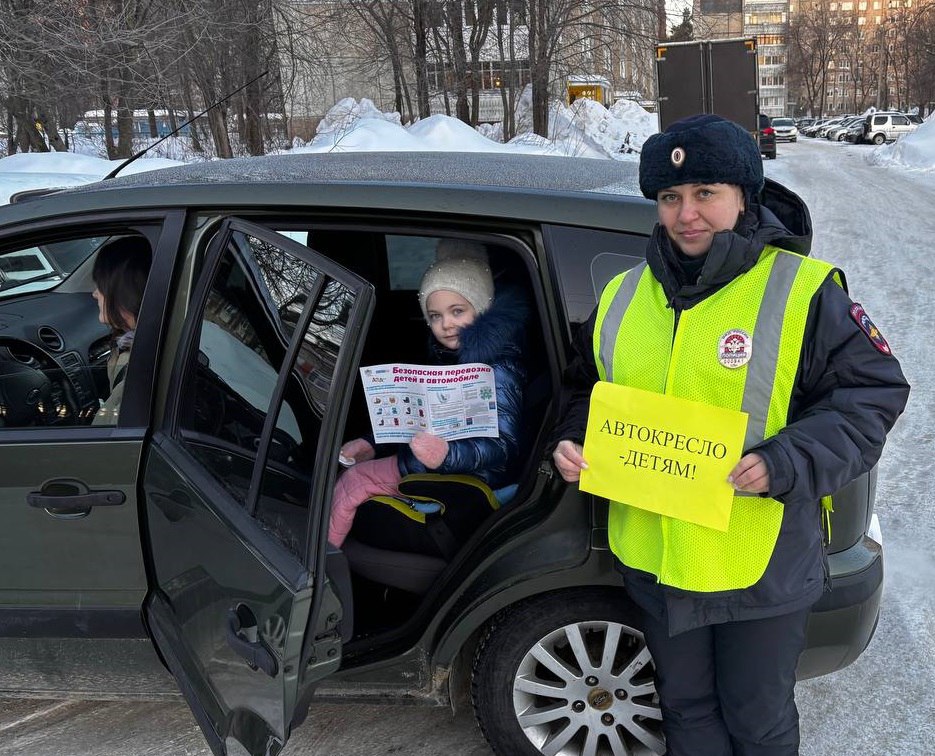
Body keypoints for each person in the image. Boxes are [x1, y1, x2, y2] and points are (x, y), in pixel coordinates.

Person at [551, 114, 909, 755]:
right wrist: (574, 439)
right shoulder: (622, 296)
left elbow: (872, 395)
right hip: (658, 561)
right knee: (685, 713)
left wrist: (786, 460)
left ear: (744, 195)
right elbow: (585, 388)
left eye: (706, 193)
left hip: (760, 565)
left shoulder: (803, 289)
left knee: (758, 722)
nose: (687, 213)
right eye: (670, 197)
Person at [328, 240, 528, 548]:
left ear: (483, 306)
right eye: (434, 316)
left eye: (457, 311)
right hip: (437, 463)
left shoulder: (499, 367)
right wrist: (372, 442)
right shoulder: (451, 354)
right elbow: (416, 420)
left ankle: (320, 564)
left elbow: (505, 444)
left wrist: (446, 456)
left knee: (353, 481)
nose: (446, 324)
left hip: (468, 478)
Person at [90, 236, 152, 425]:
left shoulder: (137, 378)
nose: (94, 294)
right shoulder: (147, 342)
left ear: (124, 294)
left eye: (101, 286)